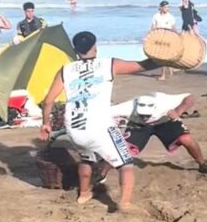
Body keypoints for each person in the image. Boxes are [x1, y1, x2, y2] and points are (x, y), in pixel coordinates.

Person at [39, 31, 162, 212]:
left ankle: (83, 194)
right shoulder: (108, 64)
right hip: (100, 127)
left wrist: (46, 123)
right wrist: (162, 56)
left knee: (86, 158)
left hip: (75, 128)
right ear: (95, 47)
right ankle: (125, 203)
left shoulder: (65, 70)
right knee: (126, 163)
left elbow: (48, 101)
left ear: (75, 50)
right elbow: (143, 66)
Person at [111, 92, 207, 174]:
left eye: (147, 115)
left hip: (165, 120)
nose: (146, 117)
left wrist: (178, 111)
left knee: (185, 139)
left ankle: (202, 163)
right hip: (139, 124)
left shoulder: (164, 102)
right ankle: (101, 174)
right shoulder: (126, 107)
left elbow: (189, 97)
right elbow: (102, 113)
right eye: (142, 114)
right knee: (123, 149)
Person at [151, 0, 176, 81]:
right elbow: (153, 28)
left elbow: (173, 28)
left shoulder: (171, 17)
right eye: (165, 7)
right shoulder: (156, 16)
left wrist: (178, 36)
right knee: (162, 57)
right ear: (161, 8)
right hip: (159, 38)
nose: (167, 8)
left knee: (165, 57)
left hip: (168, 38)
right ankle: (169, 71)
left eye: (168, 7)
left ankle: (164, 75)